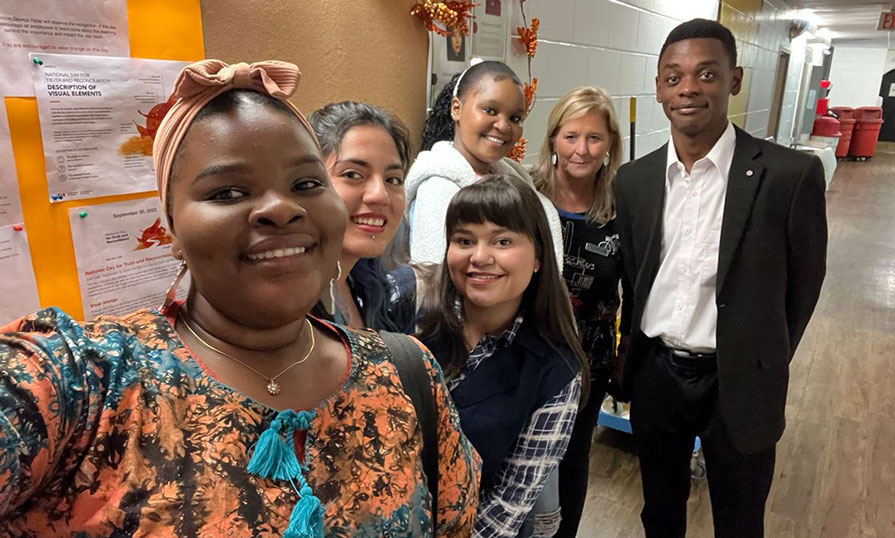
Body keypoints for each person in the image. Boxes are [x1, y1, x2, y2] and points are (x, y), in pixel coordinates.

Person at [0, 60, 480, 537]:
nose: (281, 208)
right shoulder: (87, 380)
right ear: (171, 230)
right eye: (227, 191)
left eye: (306, 184)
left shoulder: (407, 374)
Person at [613, 20, 827, 538]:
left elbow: (803, 286)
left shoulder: (789, 176)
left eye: (706, 73)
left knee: (739, 517)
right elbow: (634, 278)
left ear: (733, 79)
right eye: (674, 76)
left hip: (739, 377)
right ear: (660, 87)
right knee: (660, 510)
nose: (688, 88)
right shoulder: (634, 180)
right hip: (658, 374)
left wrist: (761, 353)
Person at [417, 174, 588, 538]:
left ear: (539, 256)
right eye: (464, 240)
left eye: (503, 241)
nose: (480, 257)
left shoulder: (555, 369)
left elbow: (510, 501)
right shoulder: (417, 322)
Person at [531, 86, 628, 538]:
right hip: (527, 348)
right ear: (553, 139)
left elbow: (637, 286)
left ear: (610, 144)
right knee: (522, 453)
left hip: (590, 356)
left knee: (572, 456)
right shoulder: (526, 194)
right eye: (571, 136)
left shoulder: (622, 210)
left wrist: (627, 354)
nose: (581, 150)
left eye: (594, 138)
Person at [405, 60, 564, 270]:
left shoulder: (515, 180)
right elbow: (433, 281)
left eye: (515, 118)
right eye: (490, 110)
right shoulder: (438, 188)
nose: (503, 125)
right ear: (456, 108)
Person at [308, 101, 416, 332]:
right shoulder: (283, 311)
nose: (380, 195)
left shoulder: (370, 288)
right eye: (353, 174)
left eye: (393, 179)